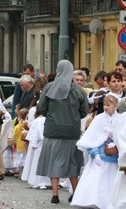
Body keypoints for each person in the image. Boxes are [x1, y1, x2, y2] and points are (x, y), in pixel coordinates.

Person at [36, 60, 89, 204]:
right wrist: (73, 118)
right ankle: (75, 192)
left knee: (54, 160)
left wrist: (52, 116)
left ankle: (55, 194)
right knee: (73, 161)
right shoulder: (78, 90)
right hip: (72, 131)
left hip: (53, 130)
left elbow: (42, 107)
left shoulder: (49, 87)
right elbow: (85, 111)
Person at [71, 94, 120, 209]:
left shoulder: (120, 119)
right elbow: (91, 137)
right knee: (97, 178)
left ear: (116, 105)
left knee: (110, 179)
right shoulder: (99, 119)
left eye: (109, 105)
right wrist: (95, 153)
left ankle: (109, 201)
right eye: (104, 105)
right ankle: (93, 200)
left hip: (113, 156)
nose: (106, 108)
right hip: (99, 154)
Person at [21, 110, 50, 189]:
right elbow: (34, 134)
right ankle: (38, 181)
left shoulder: (38, 120)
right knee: (37, 162)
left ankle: (43, 181)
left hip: (41, 143)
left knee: (39, 162)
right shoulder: (38, 121)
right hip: (40, 144)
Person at [11, 109, 29, 176]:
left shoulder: (17, 126)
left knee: (19, 160)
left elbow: (14, 136)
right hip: (26, 146)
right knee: (25, 160)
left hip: (19, 146)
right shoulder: (28, 126)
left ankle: (20, 173)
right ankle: (25, 173)